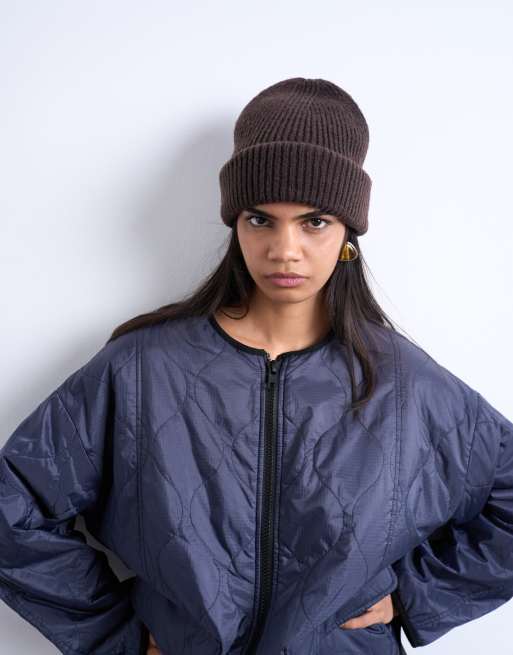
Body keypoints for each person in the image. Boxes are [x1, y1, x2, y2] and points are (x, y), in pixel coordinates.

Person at [1, 77, 512, 655]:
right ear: (235, 224)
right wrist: (116, 635)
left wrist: (417, 596)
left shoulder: (405, 385)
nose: (285, 249)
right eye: (260, 219)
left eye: (314, 221)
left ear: (348, 231)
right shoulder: (141, 371)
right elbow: (12, 508)